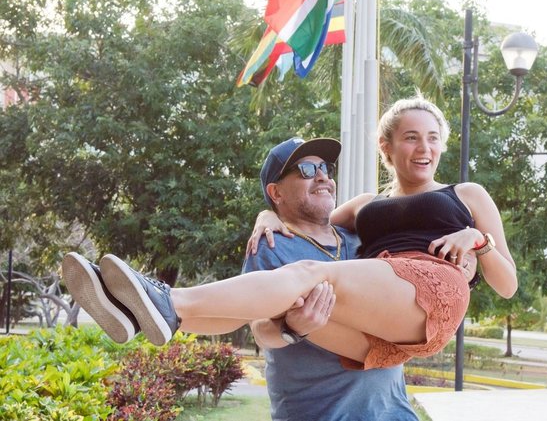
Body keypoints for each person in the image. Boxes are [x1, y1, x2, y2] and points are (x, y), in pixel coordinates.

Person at [62, 95, 517, 372]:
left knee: (306, 273)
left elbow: (508, 284)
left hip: (432, 290)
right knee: (278, 306)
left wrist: (479, 242)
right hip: (383, 331)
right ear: (387, 146)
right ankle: (134, 312)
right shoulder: (364, 206)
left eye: (433, 137)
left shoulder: (466, 194)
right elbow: (310, 219)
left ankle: (167, 300)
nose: (425, 147)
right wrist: (267, 214)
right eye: (412, 137)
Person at [243, 136, 422, 420]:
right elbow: (260, 330)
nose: (322, 177)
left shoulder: (363, 237)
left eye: (325, 168)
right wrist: (291, 328)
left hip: (395, 413)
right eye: (306, 170)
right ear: (276, 192)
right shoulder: (272, 246)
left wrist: (474, 241)